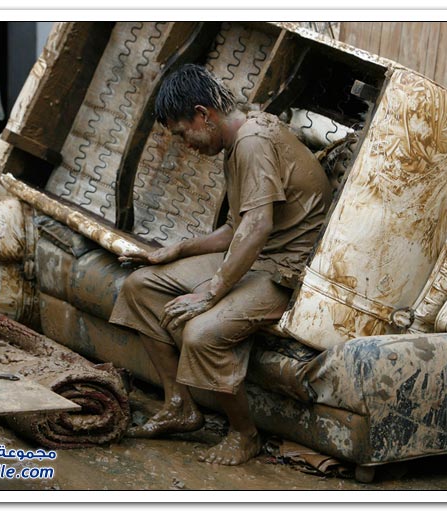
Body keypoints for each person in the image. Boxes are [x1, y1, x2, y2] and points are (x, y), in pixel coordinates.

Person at [109, 64, 332, 465]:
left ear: (202, 114)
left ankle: (244, 435)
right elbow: (236, 228)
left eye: (182, 133)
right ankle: (179, 405)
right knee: (140, 286)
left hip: (286, 271)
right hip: (255, 255)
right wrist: (177, 250)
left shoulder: (252, 141)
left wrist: (211, 292)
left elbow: (259, 225)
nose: (184, 144)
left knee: (200, 332)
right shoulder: (238, 140)